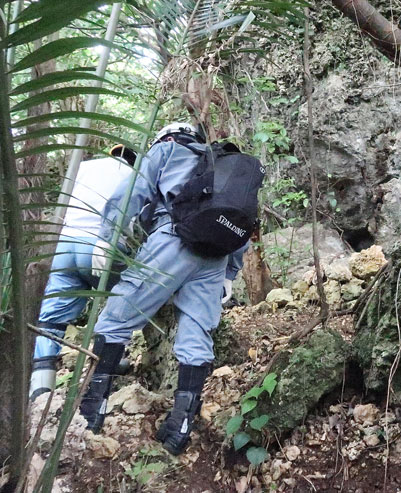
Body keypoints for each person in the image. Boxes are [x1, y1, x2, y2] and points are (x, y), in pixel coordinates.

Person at [79, 122, 249, 455]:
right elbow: (242, 220)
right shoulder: (219, 165)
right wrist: (230, 272)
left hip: (172, 241)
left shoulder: (166, 149)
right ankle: (180, 426)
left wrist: (106, 237)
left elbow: (132, 193)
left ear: (165, 135)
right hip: (214, 256)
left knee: (117, 317)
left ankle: (90, 411)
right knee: (196, 334)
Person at [29, 145, 137, 401]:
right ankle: (110, 359)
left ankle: (40, 388)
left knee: (52, 317)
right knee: (123, 299)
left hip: (66, 245)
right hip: (102, 246)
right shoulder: (135, 175)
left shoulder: (83, 168)